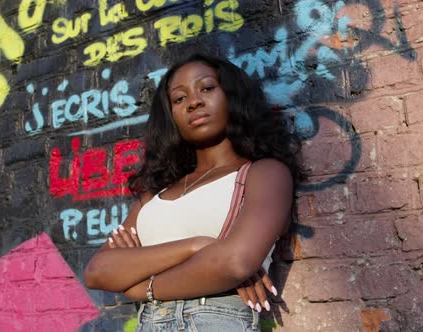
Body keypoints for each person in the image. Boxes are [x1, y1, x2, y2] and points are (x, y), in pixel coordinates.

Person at [84, 54, 300, 331]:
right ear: (170, 115)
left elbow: (235, 262)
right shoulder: (155, 195)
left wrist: (140, 288)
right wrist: (197, 246)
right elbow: (98, 271)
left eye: (207, 88)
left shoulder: (264, 173)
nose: (194, 102)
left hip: (215, 320)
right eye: (179, 99)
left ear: (232, 97)